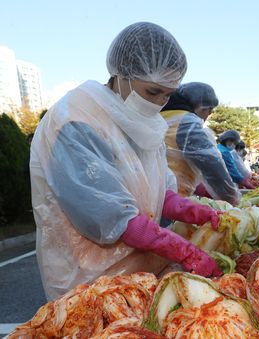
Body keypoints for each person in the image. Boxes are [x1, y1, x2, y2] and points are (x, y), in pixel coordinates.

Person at [30, 22, 222, 299]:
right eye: (152, 92)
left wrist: (191, 210)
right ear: (121, 74)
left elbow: (155, 191)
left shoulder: (142, 123)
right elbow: (110, 217)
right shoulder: (76, 120)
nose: (158, 103)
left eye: (167, 95)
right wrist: (184, 250)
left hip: (140, 274)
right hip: (90, 280)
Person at [161, 82, 241, 205]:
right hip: (173, 199)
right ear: (204, 108)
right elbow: (212, 164)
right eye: (210, 110)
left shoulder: (163, 115)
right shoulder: (187, 123)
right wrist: (232, 198)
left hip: (154, 194)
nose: (208, 115)